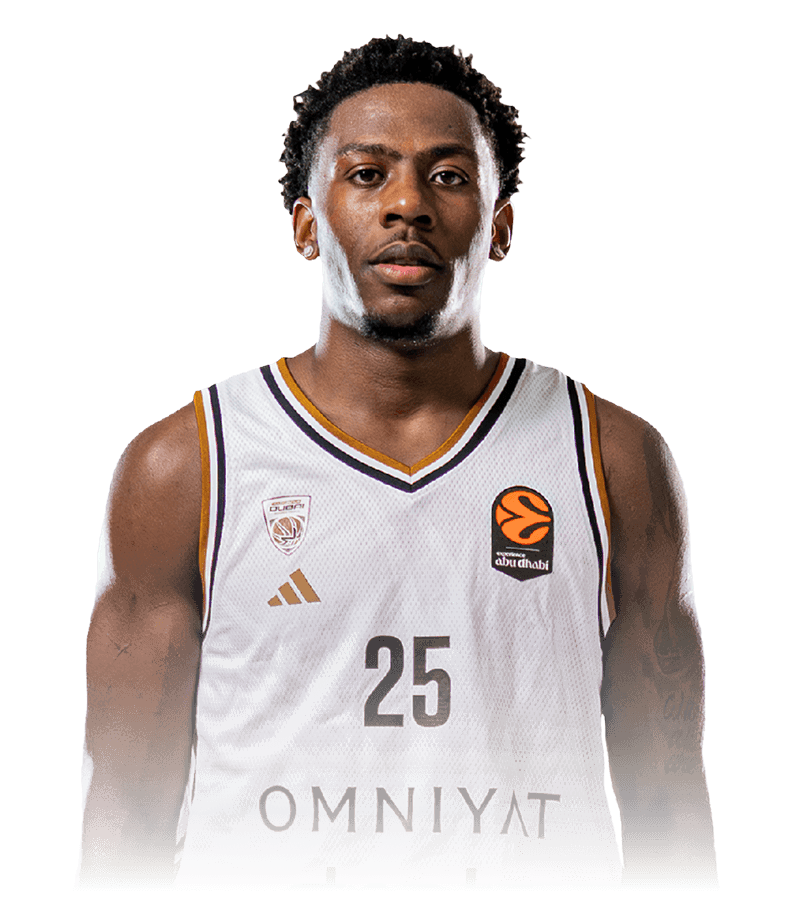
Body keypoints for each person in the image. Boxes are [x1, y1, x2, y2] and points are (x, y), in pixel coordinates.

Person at [77, 36, 718, 889]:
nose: (407, 204)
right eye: (368, 174)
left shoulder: (613, 458)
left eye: (448, 175)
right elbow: (128, 811)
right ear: (307, 224)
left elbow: (668, 801)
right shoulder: (184, 465)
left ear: (500, 227)